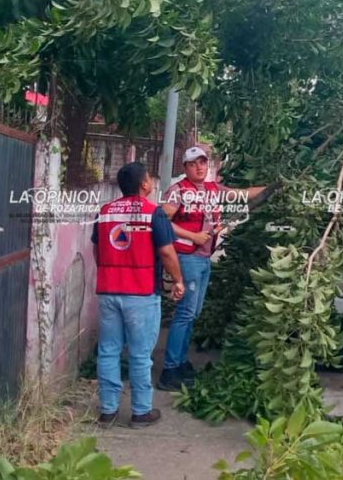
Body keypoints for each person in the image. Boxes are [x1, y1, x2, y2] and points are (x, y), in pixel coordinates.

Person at [156, 146, 268, 391]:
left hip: (204, 259)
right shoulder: (177, 192)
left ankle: (181, 362)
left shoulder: (212, 190)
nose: (200, 167)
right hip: (188, 258)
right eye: (194, 163)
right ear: (185, 167)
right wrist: (192, 236)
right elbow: (161, 220)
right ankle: (170, 370)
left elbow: (242, 194)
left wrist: (274, 188)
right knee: (185, 314)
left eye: (203, 162)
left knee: (193, 314)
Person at [92, 162, 185, 428]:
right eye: (150, 179)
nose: (152, 183)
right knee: (140, 354)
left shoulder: (105, 212)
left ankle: (108, 411)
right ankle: (140, 412)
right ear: (144, 184)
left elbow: (98, 251)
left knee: (108, 351)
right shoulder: (153, 213)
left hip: (108, 291)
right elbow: (167, 252)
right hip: (141, 293)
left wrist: (109, 272)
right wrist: (178, 280)